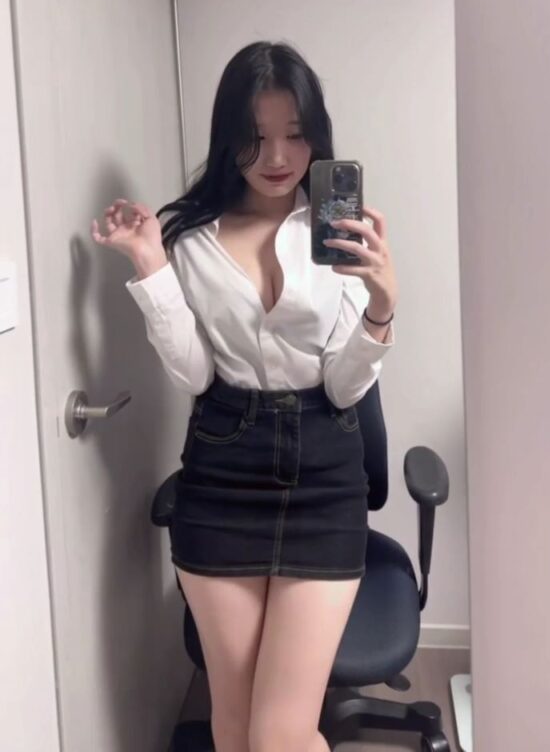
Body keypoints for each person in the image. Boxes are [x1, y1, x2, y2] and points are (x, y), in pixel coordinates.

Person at [91, 41, 398, 752]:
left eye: (295, 132)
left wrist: (382, 307)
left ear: (317, 134)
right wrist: (151, 266)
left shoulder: (341, 234)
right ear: (228, 138)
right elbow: (196, 376)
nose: (277, 156)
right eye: (255, 136)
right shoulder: (190, 238)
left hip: (324, 474)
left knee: (281, 733)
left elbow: (344, 385)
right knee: (233, 728)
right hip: (222, 469)